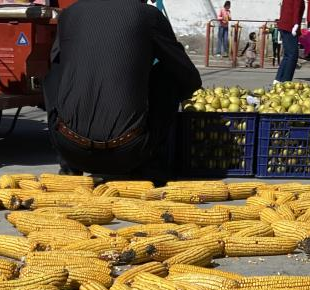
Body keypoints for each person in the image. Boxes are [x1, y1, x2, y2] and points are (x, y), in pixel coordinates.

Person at [43, 0, 202, 185]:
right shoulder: (148, 15)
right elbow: (189, 77)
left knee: (54, 73)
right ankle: (152, 165)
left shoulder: (69, 14)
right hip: (129, 153)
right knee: (170, 74)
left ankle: (68, 167)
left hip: (70, 148)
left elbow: (57, 62)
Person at [276, 0, 306, 81]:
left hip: (285, 25)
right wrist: (296, 24)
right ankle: (286, 80)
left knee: (287, 55)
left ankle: (278, 79)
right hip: (290, 26)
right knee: (292, 56)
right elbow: (296, 8)